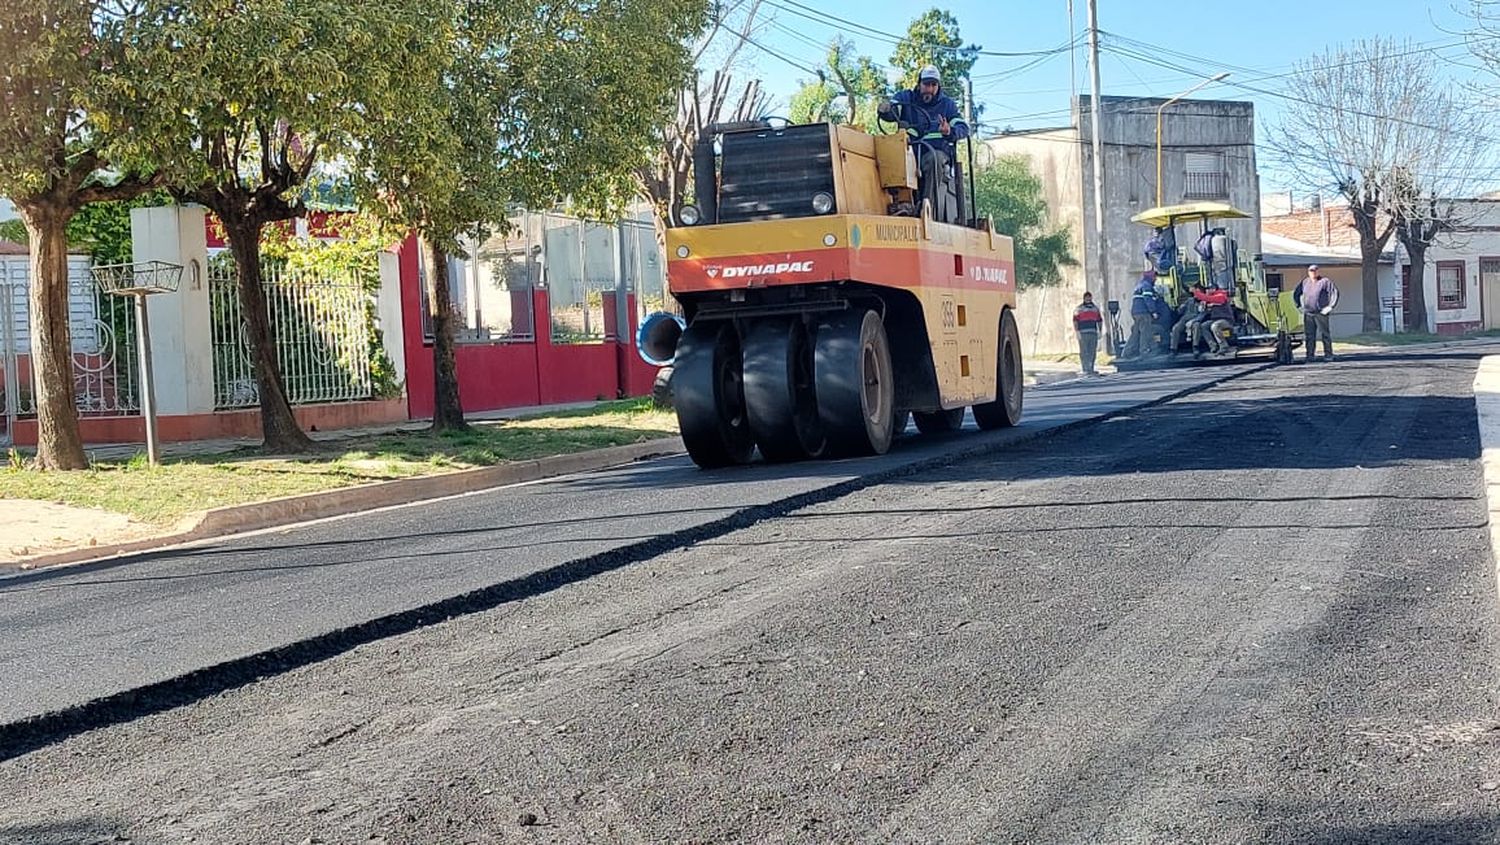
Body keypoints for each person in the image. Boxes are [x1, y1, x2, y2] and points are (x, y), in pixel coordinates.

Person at [878, 66, 969, 221]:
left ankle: (927, 211)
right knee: (885, 155)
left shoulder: (947, 105)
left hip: (935, 153)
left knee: (935, 159)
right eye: (927, 84)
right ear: (919, 84)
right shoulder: (906, 98)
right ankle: (897, 204)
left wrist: (949, 131)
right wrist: (886, 109)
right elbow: (893, 108)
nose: (930, 89)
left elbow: (963, 128)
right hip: (910, 153)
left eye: (934, 85)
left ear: (938, 86)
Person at [1293, 264, 1339, 362]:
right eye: (1311, 271)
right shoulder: (1305, 282)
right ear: (1308, 272)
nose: (1313, 272)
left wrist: (1330, 306)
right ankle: (1310, 356)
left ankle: (1328, 355)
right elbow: (1296, 294)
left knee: (1325, 334)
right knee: (1309, 336)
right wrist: (1298, 306)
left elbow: (1334, 293)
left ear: (1318, 271)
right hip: (1308, 313)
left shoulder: (1325, 281)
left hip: (1321, 313)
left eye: (1314, 270)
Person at [1124, 270, 1164, 358]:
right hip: (1143, 313)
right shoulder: (1147, 286)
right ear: (1150, 277)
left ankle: (1126, 352)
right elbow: (1148, 299)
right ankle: (1144, 351)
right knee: (1144, 332)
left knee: (1136, 333)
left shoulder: (1139, 285)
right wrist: (1153, 311)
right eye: (1154, 277)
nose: (1155, 279)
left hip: (1135, 312)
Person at [1194, 283, 1235, 358]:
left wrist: (1196, 293)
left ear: (1213, 289)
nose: (1207, 290)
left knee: (1215, 326)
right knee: (1204, 326)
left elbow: (1209, 299)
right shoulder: (1211, 297)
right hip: (1216, 320)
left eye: (1209, 289)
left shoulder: (1221, 296)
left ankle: (1224, 346)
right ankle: (1213, 346)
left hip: (1226, 320)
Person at [1073, 291, 1104, 375]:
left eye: (1089, 297)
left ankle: (1091, 368)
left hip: (1093, 332)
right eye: (1086, 297)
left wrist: (1100, 331)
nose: (1088, 299)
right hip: (1083, 333)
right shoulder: (1079, 309)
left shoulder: (1095, 308)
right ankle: (1085, 368)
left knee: (1092, 351)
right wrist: (1077, 331)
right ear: (1084, 298)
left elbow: (1099, 320)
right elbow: (1075, 320)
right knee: (1084, 351)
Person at [1169, 285, 1206, 354]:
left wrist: (1193, 321)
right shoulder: (1189, 300)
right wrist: (1180, 308)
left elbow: (1202, 314)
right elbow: (1180, 311)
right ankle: (1173, 349)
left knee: (1196, 326)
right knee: (1175, 328)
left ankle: (1195, 347)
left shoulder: (1204, 302)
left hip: (1195, 319)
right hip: (1185, 318)